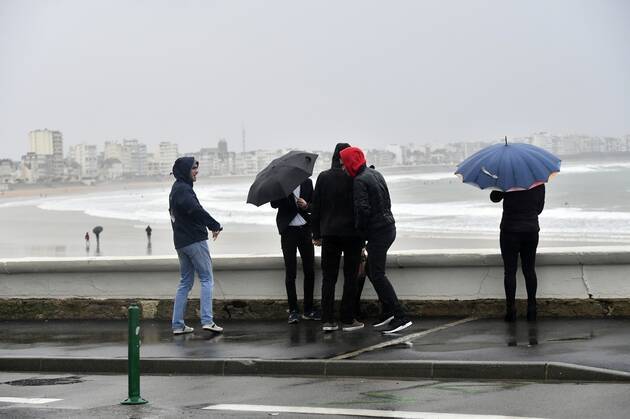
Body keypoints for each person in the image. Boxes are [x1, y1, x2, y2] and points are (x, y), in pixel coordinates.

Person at [339, 146, 412, 334]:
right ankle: (388, 311)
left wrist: (360, 235)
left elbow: (362, 211)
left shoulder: (359, 181)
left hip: (378, 232)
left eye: (344, 164)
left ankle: (400, 316)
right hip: (388, 227)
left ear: (351, 163)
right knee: (371, 270)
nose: (343, 168)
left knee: (377, 273)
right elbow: (386, 200)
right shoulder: (375, 173)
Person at [311, 143, 364, 332]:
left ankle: (327, 320)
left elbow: (316, 207)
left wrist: (316, 234)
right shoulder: (354, 176)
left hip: (330, 233)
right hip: (352, 235)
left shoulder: (323, 177)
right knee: (350, 277)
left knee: (329, 278)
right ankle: (348, 319)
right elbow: (360, 207)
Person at [169, 157, 224, 335]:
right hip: (193, 241)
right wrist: (215, 225)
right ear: (185, 170)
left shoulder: (177, 189)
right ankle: (207, 321)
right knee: (207, 279)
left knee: (185, 282)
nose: (196, 171)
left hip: (181, 242)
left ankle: (178, 325)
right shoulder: (183, 190)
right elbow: (195, 210)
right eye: (193, 168)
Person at [490, 184, 545, 322]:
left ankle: (511, 310)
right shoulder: (539, 183)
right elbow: (539, 209)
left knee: (510, 271)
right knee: (529, 270)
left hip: (510, 230)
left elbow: (494, 198)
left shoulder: (506, 180)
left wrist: (501, 186)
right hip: (531, 230)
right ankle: (532, 309)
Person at [271, 178, 320, 324]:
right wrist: (284, 192)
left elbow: (315, 206)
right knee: (290, 272)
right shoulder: (280, 185)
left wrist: (306, 205)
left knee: (309, 270)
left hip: (305, 230)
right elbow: (274, 204)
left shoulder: (307, 182)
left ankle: (308, 309)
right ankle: (293, 311)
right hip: (288, 232)